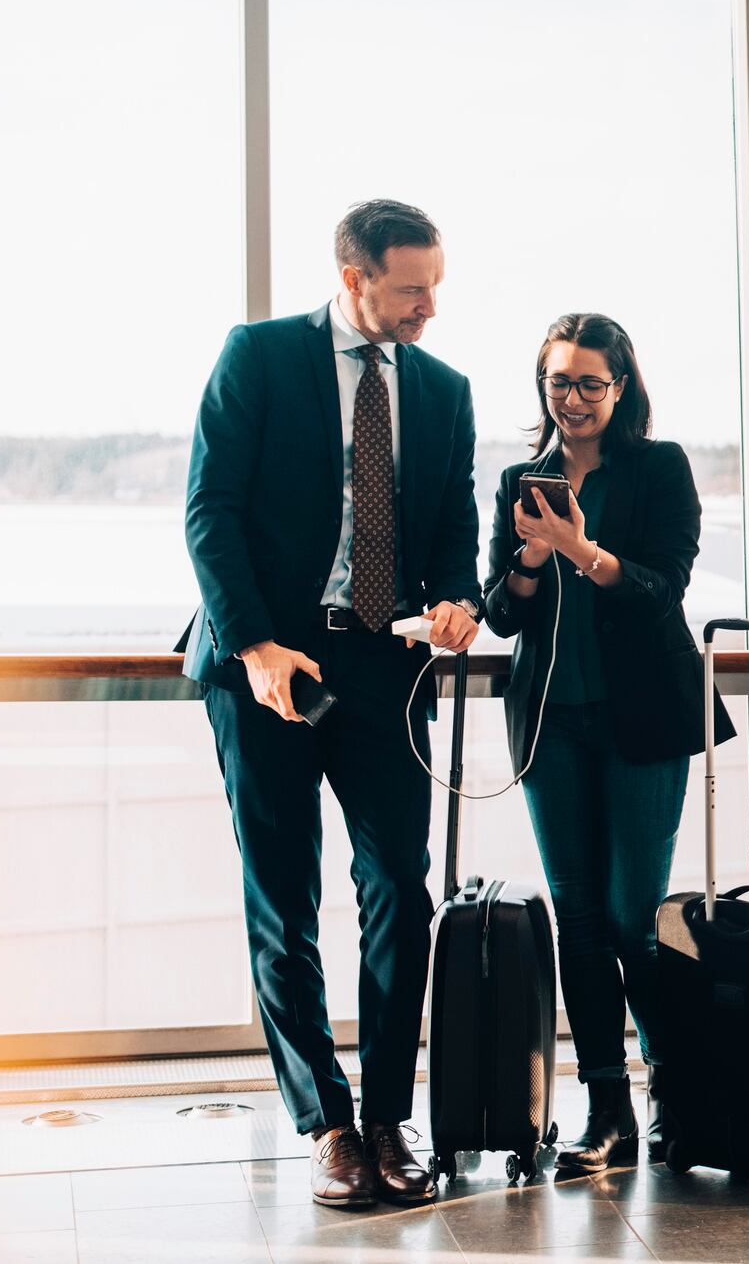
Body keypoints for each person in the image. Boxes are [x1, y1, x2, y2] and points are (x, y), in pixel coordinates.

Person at [180, 200, 481, 1207]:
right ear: (352, 277)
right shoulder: (258, 357)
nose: (430, 306)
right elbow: (209, 509)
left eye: (436, 284)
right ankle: (328, 1123)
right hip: (265, 667)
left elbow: (451, 528)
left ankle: (392, 1117)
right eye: (410, 288)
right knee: (285, 898)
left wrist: (456, 601)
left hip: (383, 669)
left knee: (402, 885)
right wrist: (254, 644)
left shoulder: (444, 390)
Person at [481, 313, 731, 1173]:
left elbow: (663, 587)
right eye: (560, 382)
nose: (575, 399)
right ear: (542, 388)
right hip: (553, 725)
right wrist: (525, 557)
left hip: (642, 721)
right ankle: (608, 1116)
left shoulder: (658, 468)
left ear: (621, 386)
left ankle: (681, 1082)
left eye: (592, 382)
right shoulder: (523, 476)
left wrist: (581, 550)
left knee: (632, 917)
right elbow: (502, 613)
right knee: (580, 924)